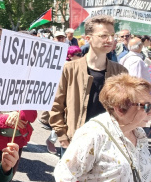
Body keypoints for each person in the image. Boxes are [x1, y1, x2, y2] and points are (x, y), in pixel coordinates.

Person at [54, 74, 151, 182]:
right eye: (146, 107)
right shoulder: (93, 134)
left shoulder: (139, 134)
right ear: (120, 109)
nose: (150, 112)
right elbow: (65, 173)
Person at [49, 15, 128, 156]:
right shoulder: (69, 69)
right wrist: (62, 137)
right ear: (88, 38)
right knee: (69, 179)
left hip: (108, 144)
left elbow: (126, 108)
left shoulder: (120, 72)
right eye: (104, 35)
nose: (110, 40)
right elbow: (56, 105)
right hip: (75, 142)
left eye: (112, 35)